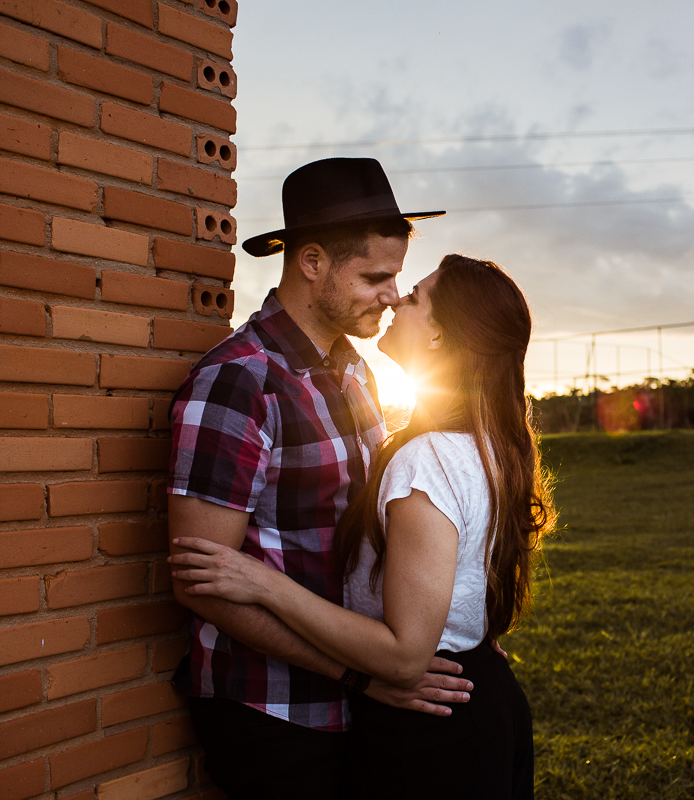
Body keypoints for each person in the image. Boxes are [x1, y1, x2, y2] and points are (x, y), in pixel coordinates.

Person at [170, 254, 557, 799]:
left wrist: (263, 582)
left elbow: (404, 656)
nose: (396, 298)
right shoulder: (485, 443)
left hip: (434, 716)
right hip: (471, 697)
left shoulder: (427, 458)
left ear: (439, 337)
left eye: (413, 295)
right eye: (382, 279)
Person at [168, 158, 472, 800]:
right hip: (271, 711)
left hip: (359, 694)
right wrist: (358, 674)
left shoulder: (355, 371)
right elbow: (203, 584)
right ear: (311, 263)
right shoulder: (239, 382)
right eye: (375, 277)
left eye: (396, 277)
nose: (392, 295)